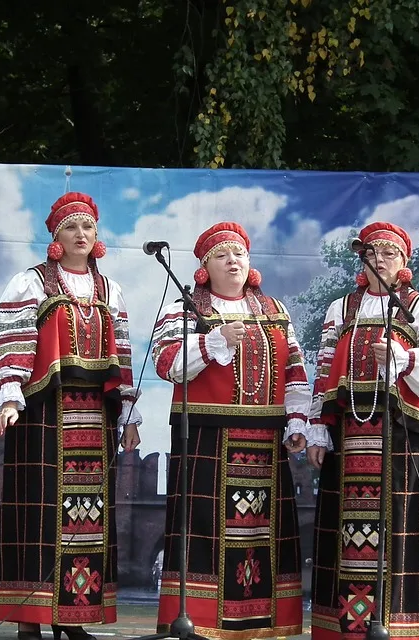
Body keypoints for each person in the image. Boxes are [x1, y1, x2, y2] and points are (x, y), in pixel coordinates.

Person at [288, 222, 419, 640]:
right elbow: (324, 371)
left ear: (405, 262)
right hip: (352, 433)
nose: (381, 259)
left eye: (390, 253)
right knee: (351, 530)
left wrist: (404, 359)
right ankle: (352, 627)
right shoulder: (343, 309)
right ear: (362, 260)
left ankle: (407, 626)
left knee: (400, 530)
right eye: (373, 252)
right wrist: (318, 426)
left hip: (406, 433)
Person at [0, 192, 142, 640]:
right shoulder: (32, 283)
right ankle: (29, 621)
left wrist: (130, 415)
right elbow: (13, 341)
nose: (81, 235)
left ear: (97, 237)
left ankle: (73, 617)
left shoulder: (109, 290)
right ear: (56, 236)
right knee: (39, 512)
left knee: (86, 514)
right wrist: (11, 396)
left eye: (88, 228)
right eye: (72, 227)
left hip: (95, 415)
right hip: (44, 412)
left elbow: (125, 354)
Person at [151, 221, 310, 640]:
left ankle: (258, 623)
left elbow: (294, 370)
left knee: (263, 532)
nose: (233, 261)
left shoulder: (274, 311)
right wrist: (213, 340)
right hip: (206, 435)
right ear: (205, 267)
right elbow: (167, 364)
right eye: (222, 255)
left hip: (264, 439)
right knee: (205, 529)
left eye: (239, 253)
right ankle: (201, 624)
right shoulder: (186, 309)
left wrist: (296, 420)